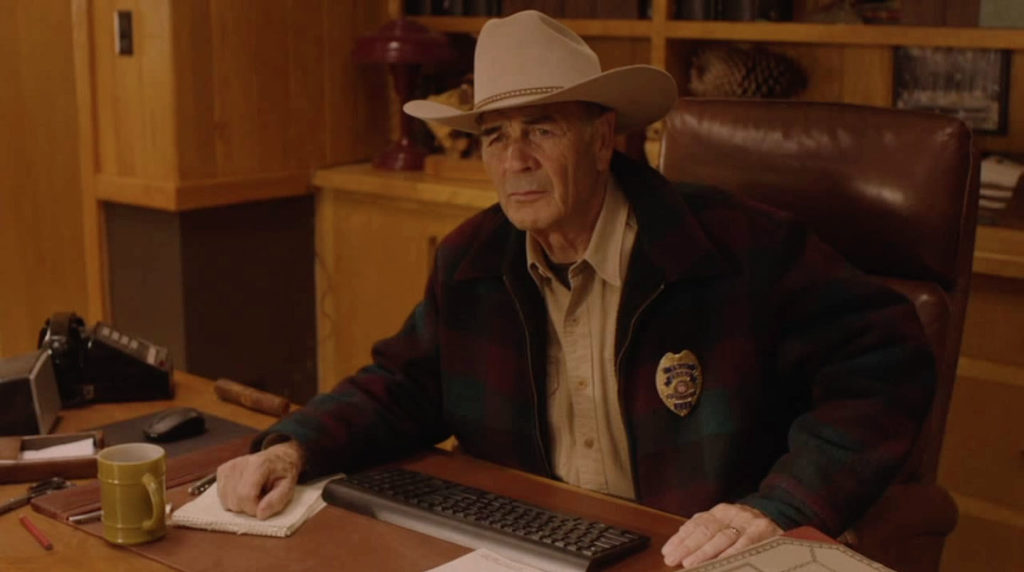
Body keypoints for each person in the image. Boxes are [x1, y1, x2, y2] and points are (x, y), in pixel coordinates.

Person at [216, 10, 934, 568]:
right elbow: (402, 385)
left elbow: (887, 359)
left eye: (541, 130)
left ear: (602, 139)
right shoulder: (471, 259)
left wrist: (779, 506)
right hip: (531, 549)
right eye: (494, 137)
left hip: (687, 555)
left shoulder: (737, 248)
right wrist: (291, 450)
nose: (516, 161)